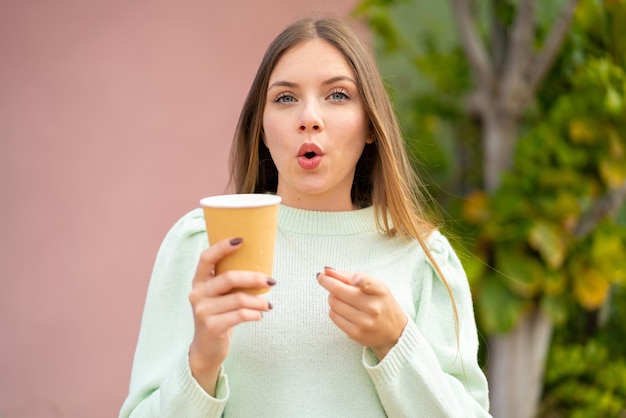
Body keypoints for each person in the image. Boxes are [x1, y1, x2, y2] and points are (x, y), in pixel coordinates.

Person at [120, 16, 491, 417]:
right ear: (260, 128)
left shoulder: (422, 256)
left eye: (337, 95)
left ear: (370, 124)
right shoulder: (200, 243)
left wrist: (396, 344)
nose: (309, 117)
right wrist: (201, 362)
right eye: (285, 98)